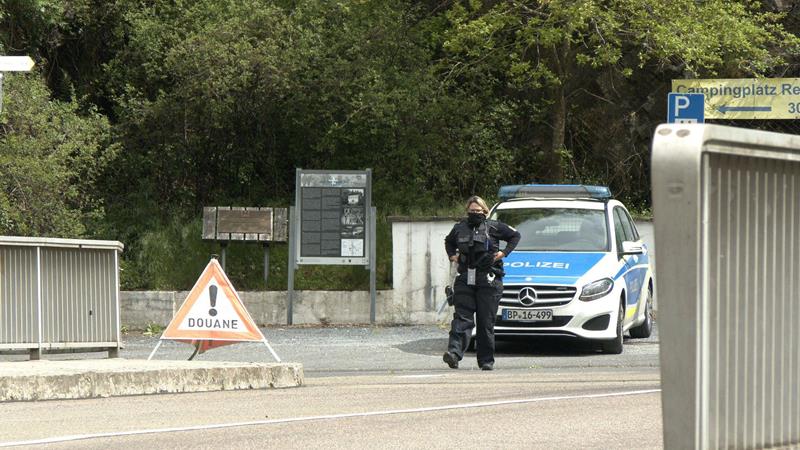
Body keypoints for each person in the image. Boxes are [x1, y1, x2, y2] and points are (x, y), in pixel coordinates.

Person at [443, 195, 521, 370]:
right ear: (467, 211)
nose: (474, 214)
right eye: (471, 211)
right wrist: (452, 255)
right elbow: (448, 242)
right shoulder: (459, 228)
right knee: (462, 318)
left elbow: (515, 236)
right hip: (465, 278)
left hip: (489, 279)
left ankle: (486, 361)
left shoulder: (494, 227)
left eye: (478, 211)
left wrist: (503, 253)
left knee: (485, 322)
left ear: (485, 212)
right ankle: (453, 354)